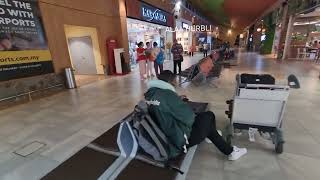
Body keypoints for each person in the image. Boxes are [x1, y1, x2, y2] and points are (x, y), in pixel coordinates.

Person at [145, 70, 247, 161]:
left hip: (167, 132)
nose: (176, 83)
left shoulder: (151, 93)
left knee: (207, 117)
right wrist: (180, 104)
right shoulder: (168, 95)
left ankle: (211, 134)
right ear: (170, 81)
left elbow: (163, 106)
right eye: (175, 81)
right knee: (208, 117)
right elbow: (189, 118)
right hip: (177, 141)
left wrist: (177, 101)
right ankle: (230, 152)